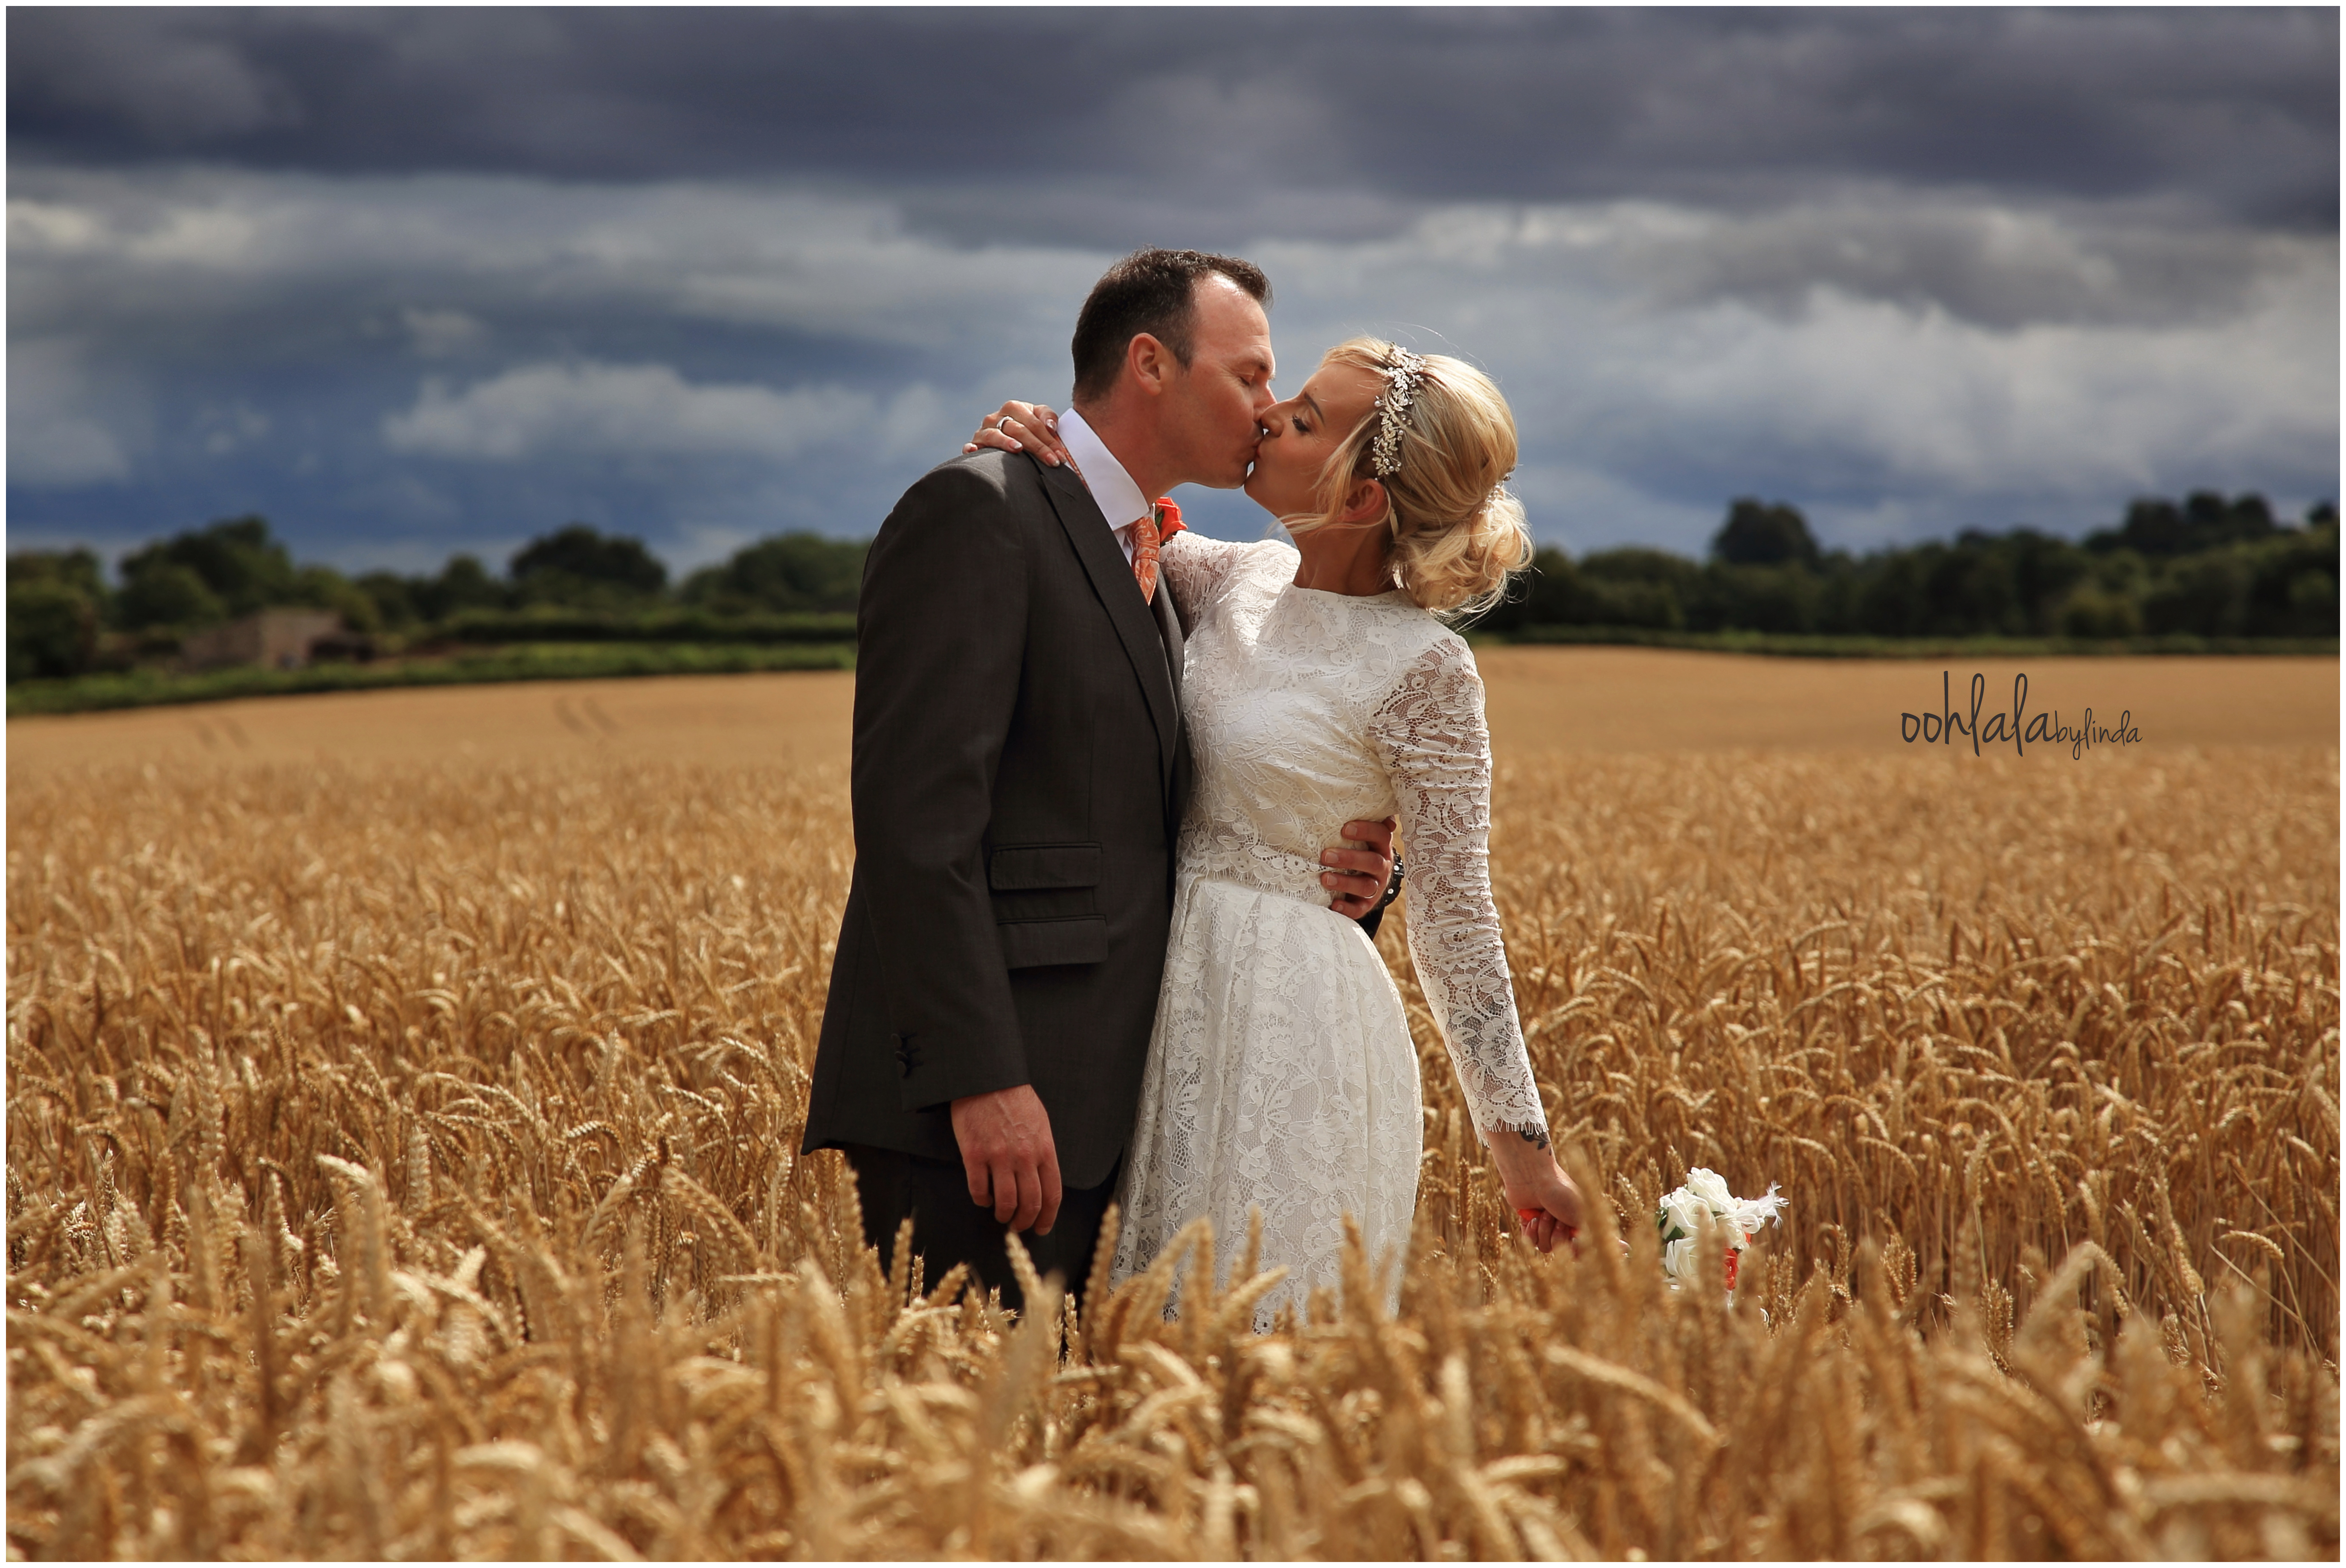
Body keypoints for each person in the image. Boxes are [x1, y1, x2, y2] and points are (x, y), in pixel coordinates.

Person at [798, 250, 1399, 1317]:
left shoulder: (1157, 557)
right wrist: (979, 1078)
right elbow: (915, 829)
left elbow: (1192, 802)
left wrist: (1342, 873)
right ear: (1150, 363)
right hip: (984, 1121)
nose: (1268, 409)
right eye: (1250, 375)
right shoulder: (978, 510)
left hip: (1122, 1117)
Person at [965, 336, 1586, 1327]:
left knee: (1264, 1351)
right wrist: (1034, 439)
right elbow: (1110, 516)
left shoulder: (1428, 672)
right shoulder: (1234, 576)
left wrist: (1525, 1152)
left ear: (1361, 499)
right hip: (1165, 1001)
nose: (1266, 418)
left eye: (1301, 418)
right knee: (1139, 1341)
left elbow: (1456, 917)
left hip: (1298, 1027)